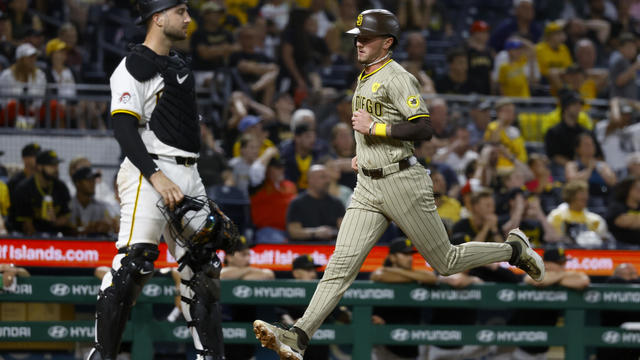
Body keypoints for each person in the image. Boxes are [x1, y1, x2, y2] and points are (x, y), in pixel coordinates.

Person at [253, 9, 545, 360]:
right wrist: (365, 153)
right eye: (357, 36)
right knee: (340, 265)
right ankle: (300, 334)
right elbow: (371, 125)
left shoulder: (397, 77)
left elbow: (423, 127)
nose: (358, 42)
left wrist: (376, 132)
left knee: (446, 261)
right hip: (368, 184)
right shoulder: (365, 73)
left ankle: (514, 250)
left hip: (402, 181)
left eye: (366, 37)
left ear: (387, 42)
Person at [88, 1, 233, 359]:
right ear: (158, 17)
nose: (188, 18)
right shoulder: (131, 66)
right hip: (148, 170)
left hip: (188, 171)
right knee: (134, 264)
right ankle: (101, 355)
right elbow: (122, 126)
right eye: (180, 11)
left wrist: (187, 179)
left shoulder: (178, 65)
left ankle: (209, 356)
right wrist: (155, 175)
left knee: (203, 268)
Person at [501, 247, 590, 360]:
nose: (563, 266)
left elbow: (583, 281)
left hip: (542, 347)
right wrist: (562, 276)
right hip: (517, 345)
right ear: (546, 263)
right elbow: (535, 281)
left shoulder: (559, 277)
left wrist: (557, 278)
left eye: (563, 263)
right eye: (559, 263)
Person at [370, 238, 437, 360]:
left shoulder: (390, 270)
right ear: (392, 257)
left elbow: (431, 278)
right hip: (386, 344)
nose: (410, 258)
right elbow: (378, 275)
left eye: (410, 254)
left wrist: (396, 271)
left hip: (411, 346)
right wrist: (414, 277)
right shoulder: (383, 273)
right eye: (404, 254)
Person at [12, 149, 71, 236]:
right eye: (51, 165)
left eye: (57, 165)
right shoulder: (24, 189)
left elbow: (66, 217)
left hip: (56, 235)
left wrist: (54, 222)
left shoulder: (61, 187)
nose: (56, 168)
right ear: (39, 167)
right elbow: (26, 225)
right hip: (27, 237)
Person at [285, 164, 344, 242]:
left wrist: (332, 232)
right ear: (311, 180)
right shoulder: (297, 203)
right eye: (323, 177)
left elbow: (344, 229)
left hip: (331, 246)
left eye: (327, 177)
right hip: (305, 247)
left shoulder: (336, 203)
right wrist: (315, 232)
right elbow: (293, 232)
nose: (328, 181)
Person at [596, 263, 640, 359]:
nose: (630, 275)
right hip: (610, 342)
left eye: (632, 274)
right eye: (624, 274)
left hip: (634, 340)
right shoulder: (610, 284)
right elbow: (614, 282)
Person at [69, 166, 115, 237]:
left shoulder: (102, 207)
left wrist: (108, 226)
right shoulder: (68, 206)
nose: (92, 183)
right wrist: (90, 229)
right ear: (77, 183)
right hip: (70, 247)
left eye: (93, 180)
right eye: (88, 180)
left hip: (96, 246)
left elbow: (112, 225)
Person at [606, 177, 640, 247]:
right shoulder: (617, 206)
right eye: (637, 189)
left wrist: (632, 220)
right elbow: (622, 222)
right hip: (622, 246)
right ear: (628, 190)